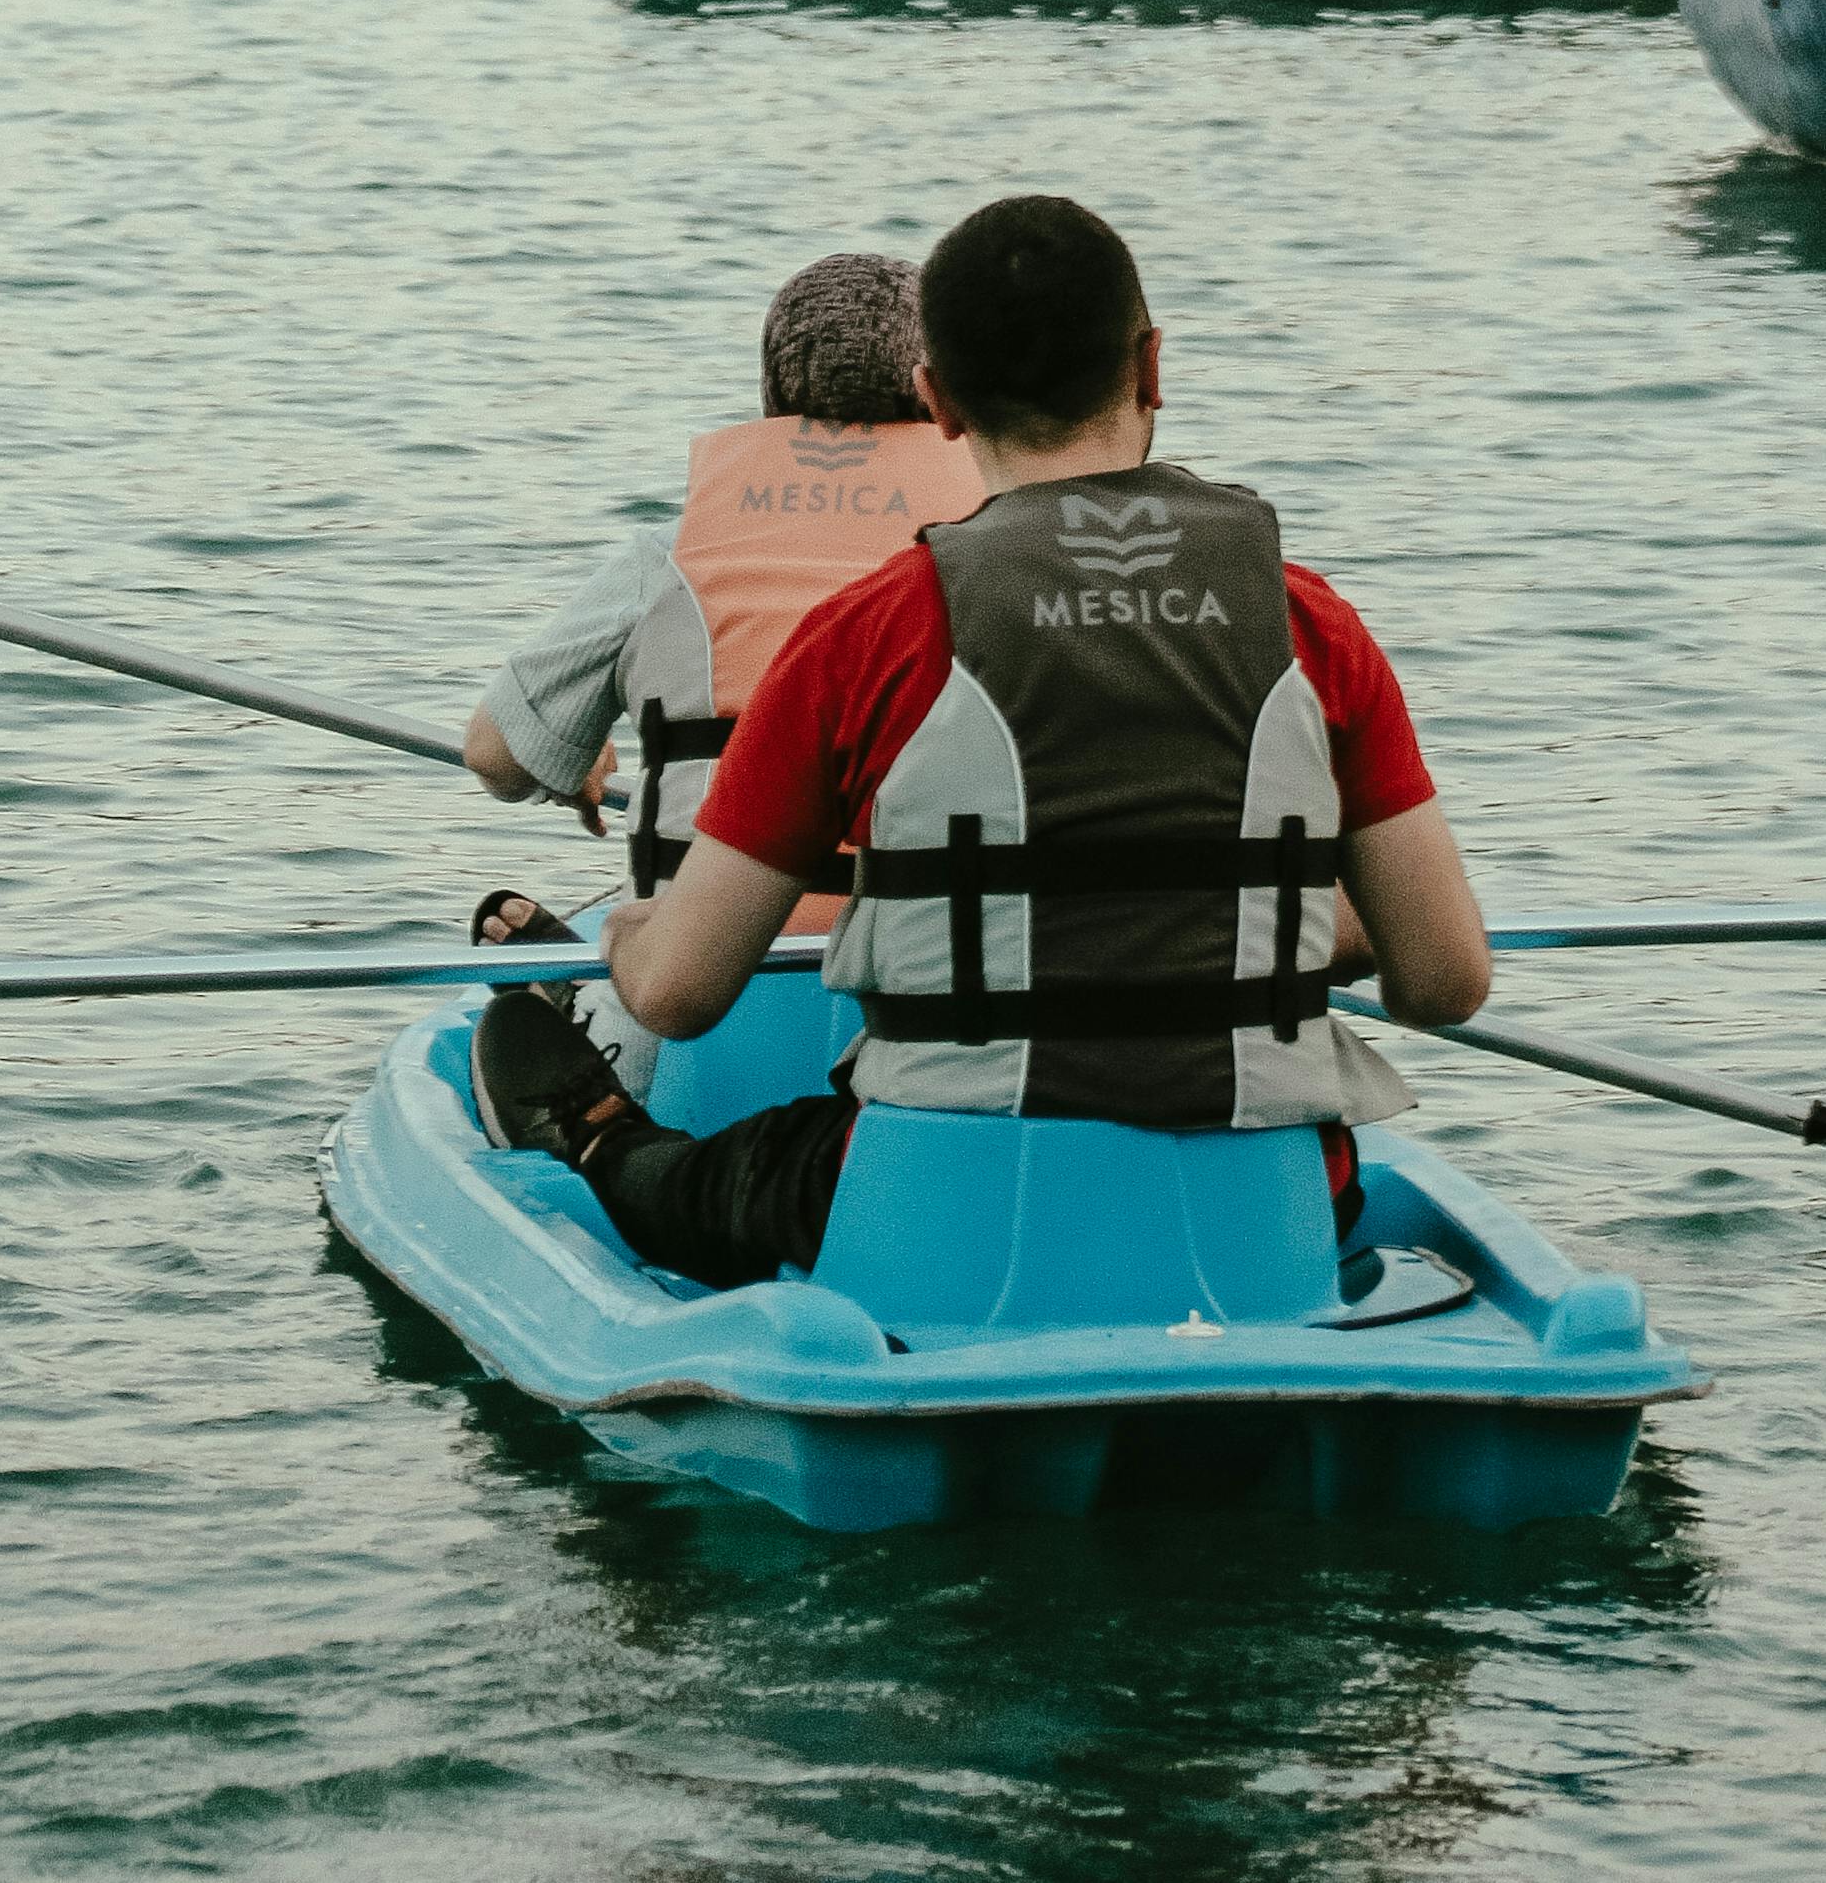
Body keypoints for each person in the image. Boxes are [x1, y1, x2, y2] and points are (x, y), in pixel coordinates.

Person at [471, 193, 1491, 1294]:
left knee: (685, 1174)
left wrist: (630, 929)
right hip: (1263, 1207)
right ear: (1152, 367)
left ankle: (599, 1137)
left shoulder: (862, 636)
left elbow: (677, 993)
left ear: (939, 402)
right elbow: (1442, 978)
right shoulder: (1310, 623)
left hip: (942, 1203)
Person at [463, 253, 983, 936]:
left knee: (641, 966)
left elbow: (496, 758)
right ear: (942, 395)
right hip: (935, 985)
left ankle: (581, 1011)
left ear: (768, 401)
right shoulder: (996, 559)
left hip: (704, 995)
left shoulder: (668, 560)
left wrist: (567, 747)